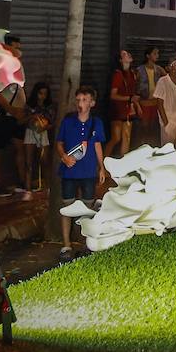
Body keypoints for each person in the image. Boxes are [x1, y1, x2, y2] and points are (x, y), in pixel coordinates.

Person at [56, 86, 107, 259]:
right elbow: (59, 143)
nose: (80, 104)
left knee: (88, 207)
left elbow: (97, 144)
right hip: (69, 171)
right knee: (67, 207)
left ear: (92, 103)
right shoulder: (68, 121)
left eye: (84, 100)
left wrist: (102, 166)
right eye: (78, 100)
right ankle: (66, 245)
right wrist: (63, 157)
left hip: (88, 171)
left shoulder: (96, 122)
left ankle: (87, 244)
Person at [0, 31, 25, 197]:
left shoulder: (16, 65)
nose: (18, 52)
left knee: (19, 147)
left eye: (19, 49)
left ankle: (22, 181)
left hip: (14, 116)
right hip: (0, 115)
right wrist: (12, 109)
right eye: (15, 48)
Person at [21, 81, 54, 195]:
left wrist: (44, 126)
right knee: (28, 162)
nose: (43, 96)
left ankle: (49, 188)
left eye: (45, 94)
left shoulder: (49, 107)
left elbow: (52, 123)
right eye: (40, 93)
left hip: (43, 134)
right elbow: (21, 120)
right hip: (30, 133)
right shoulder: (29, 106)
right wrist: (32, 116)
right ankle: (28, 190)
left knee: (45, 161)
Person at [107, 49, 137, 158]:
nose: (128, 55)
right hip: (117, 110)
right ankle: (103, 162)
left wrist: (135, 104)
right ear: (120, 60)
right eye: (124, 54)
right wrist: (129, 99)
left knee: (127, 137)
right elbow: (113, 95)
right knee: (116, 137)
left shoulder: (132, 74)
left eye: (128, 53)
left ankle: (124, 163)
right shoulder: (118, 75)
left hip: (127, 110)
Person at [154, 56, 176, 149]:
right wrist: (166, 122)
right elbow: (159, 102)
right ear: (167, 67)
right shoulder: (162, 81)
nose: (174, 67)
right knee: (167, 149)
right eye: (172, 64)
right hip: (169, 120)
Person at [135, 45, 165, 145]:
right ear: (148, 56)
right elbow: (135, 86)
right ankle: (142, 144)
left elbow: (167, 80)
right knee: (144, 126)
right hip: (144, 102)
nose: (157, 56)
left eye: (158, 53)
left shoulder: (159, 69)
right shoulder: (140, 70)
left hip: (155, 102)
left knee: (154, 125)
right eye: (154, 53)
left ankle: (151, 145)